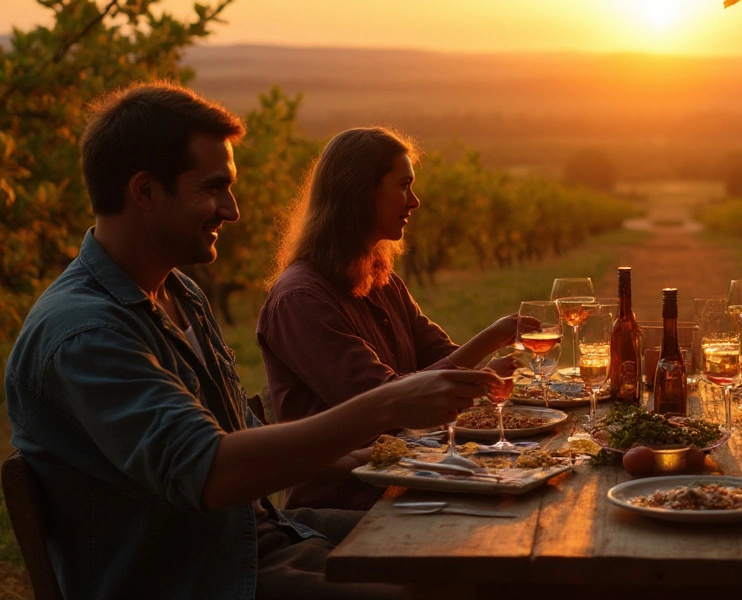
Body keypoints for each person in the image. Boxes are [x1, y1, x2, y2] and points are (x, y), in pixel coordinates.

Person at [5, 82, 502, 599]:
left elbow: (238, 429)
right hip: (201, 576)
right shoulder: (85, 334)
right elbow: (211, 472)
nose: (232, 210)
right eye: (214, 188)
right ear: (146, 191)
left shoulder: (182, 295)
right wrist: (387, 406)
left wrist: (358, 457)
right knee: (443, 586)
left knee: (474, 547)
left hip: (259, 538)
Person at [256, 127, 521, 510]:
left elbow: (438, 353)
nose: (414, 201)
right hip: (347, 503)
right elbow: (387, 401)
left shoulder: (380, 279)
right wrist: (492, 337)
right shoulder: (300, 300)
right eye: (404, 186)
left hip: (409, 479)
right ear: (360, 193)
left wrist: (484, 373)